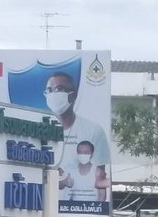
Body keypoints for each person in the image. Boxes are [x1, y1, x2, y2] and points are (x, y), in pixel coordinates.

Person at [45, 72, 111, 201]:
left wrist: (99, 207)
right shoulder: (38, 130)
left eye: (59, 89)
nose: (53, 94)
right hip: (43, 207)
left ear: (73, 95)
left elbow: (100, 181)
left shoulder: (94, 131)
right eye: (49, 90)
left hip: (78, 207)